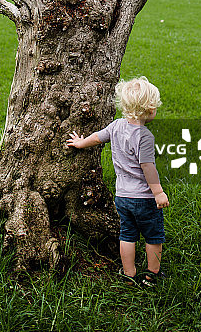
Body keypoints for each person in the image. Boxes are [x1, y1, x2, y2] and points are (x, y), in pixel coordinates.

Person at [66, 76, 169, 287]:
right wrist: (158, 193)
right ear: (150, 110)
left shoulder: (116, 126)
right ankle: (152, 275)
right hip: (144, 199)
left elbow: (96, 137)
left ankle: (129, 274)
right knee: (153, 237)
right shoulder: (145, 136)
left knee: (128, 234)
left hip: (122, 196)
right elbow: (148, 167)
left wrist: (79, 143)